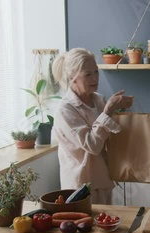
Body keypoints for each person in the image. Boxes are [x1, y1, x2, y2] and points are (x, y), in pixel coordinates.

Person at [51, 48, 133, 204]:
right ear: (72, 77)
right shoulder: (65, 110)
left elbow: (108, 138)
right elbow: (93, 145)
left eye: (96, 72)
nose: (95, 78)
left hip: (103, 180)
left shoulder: (99, 100)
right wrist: (109, 110)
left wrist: (118, 111)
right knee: (86, 227)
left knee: (104, 225)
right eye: (88, 74)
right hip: (80, 187)